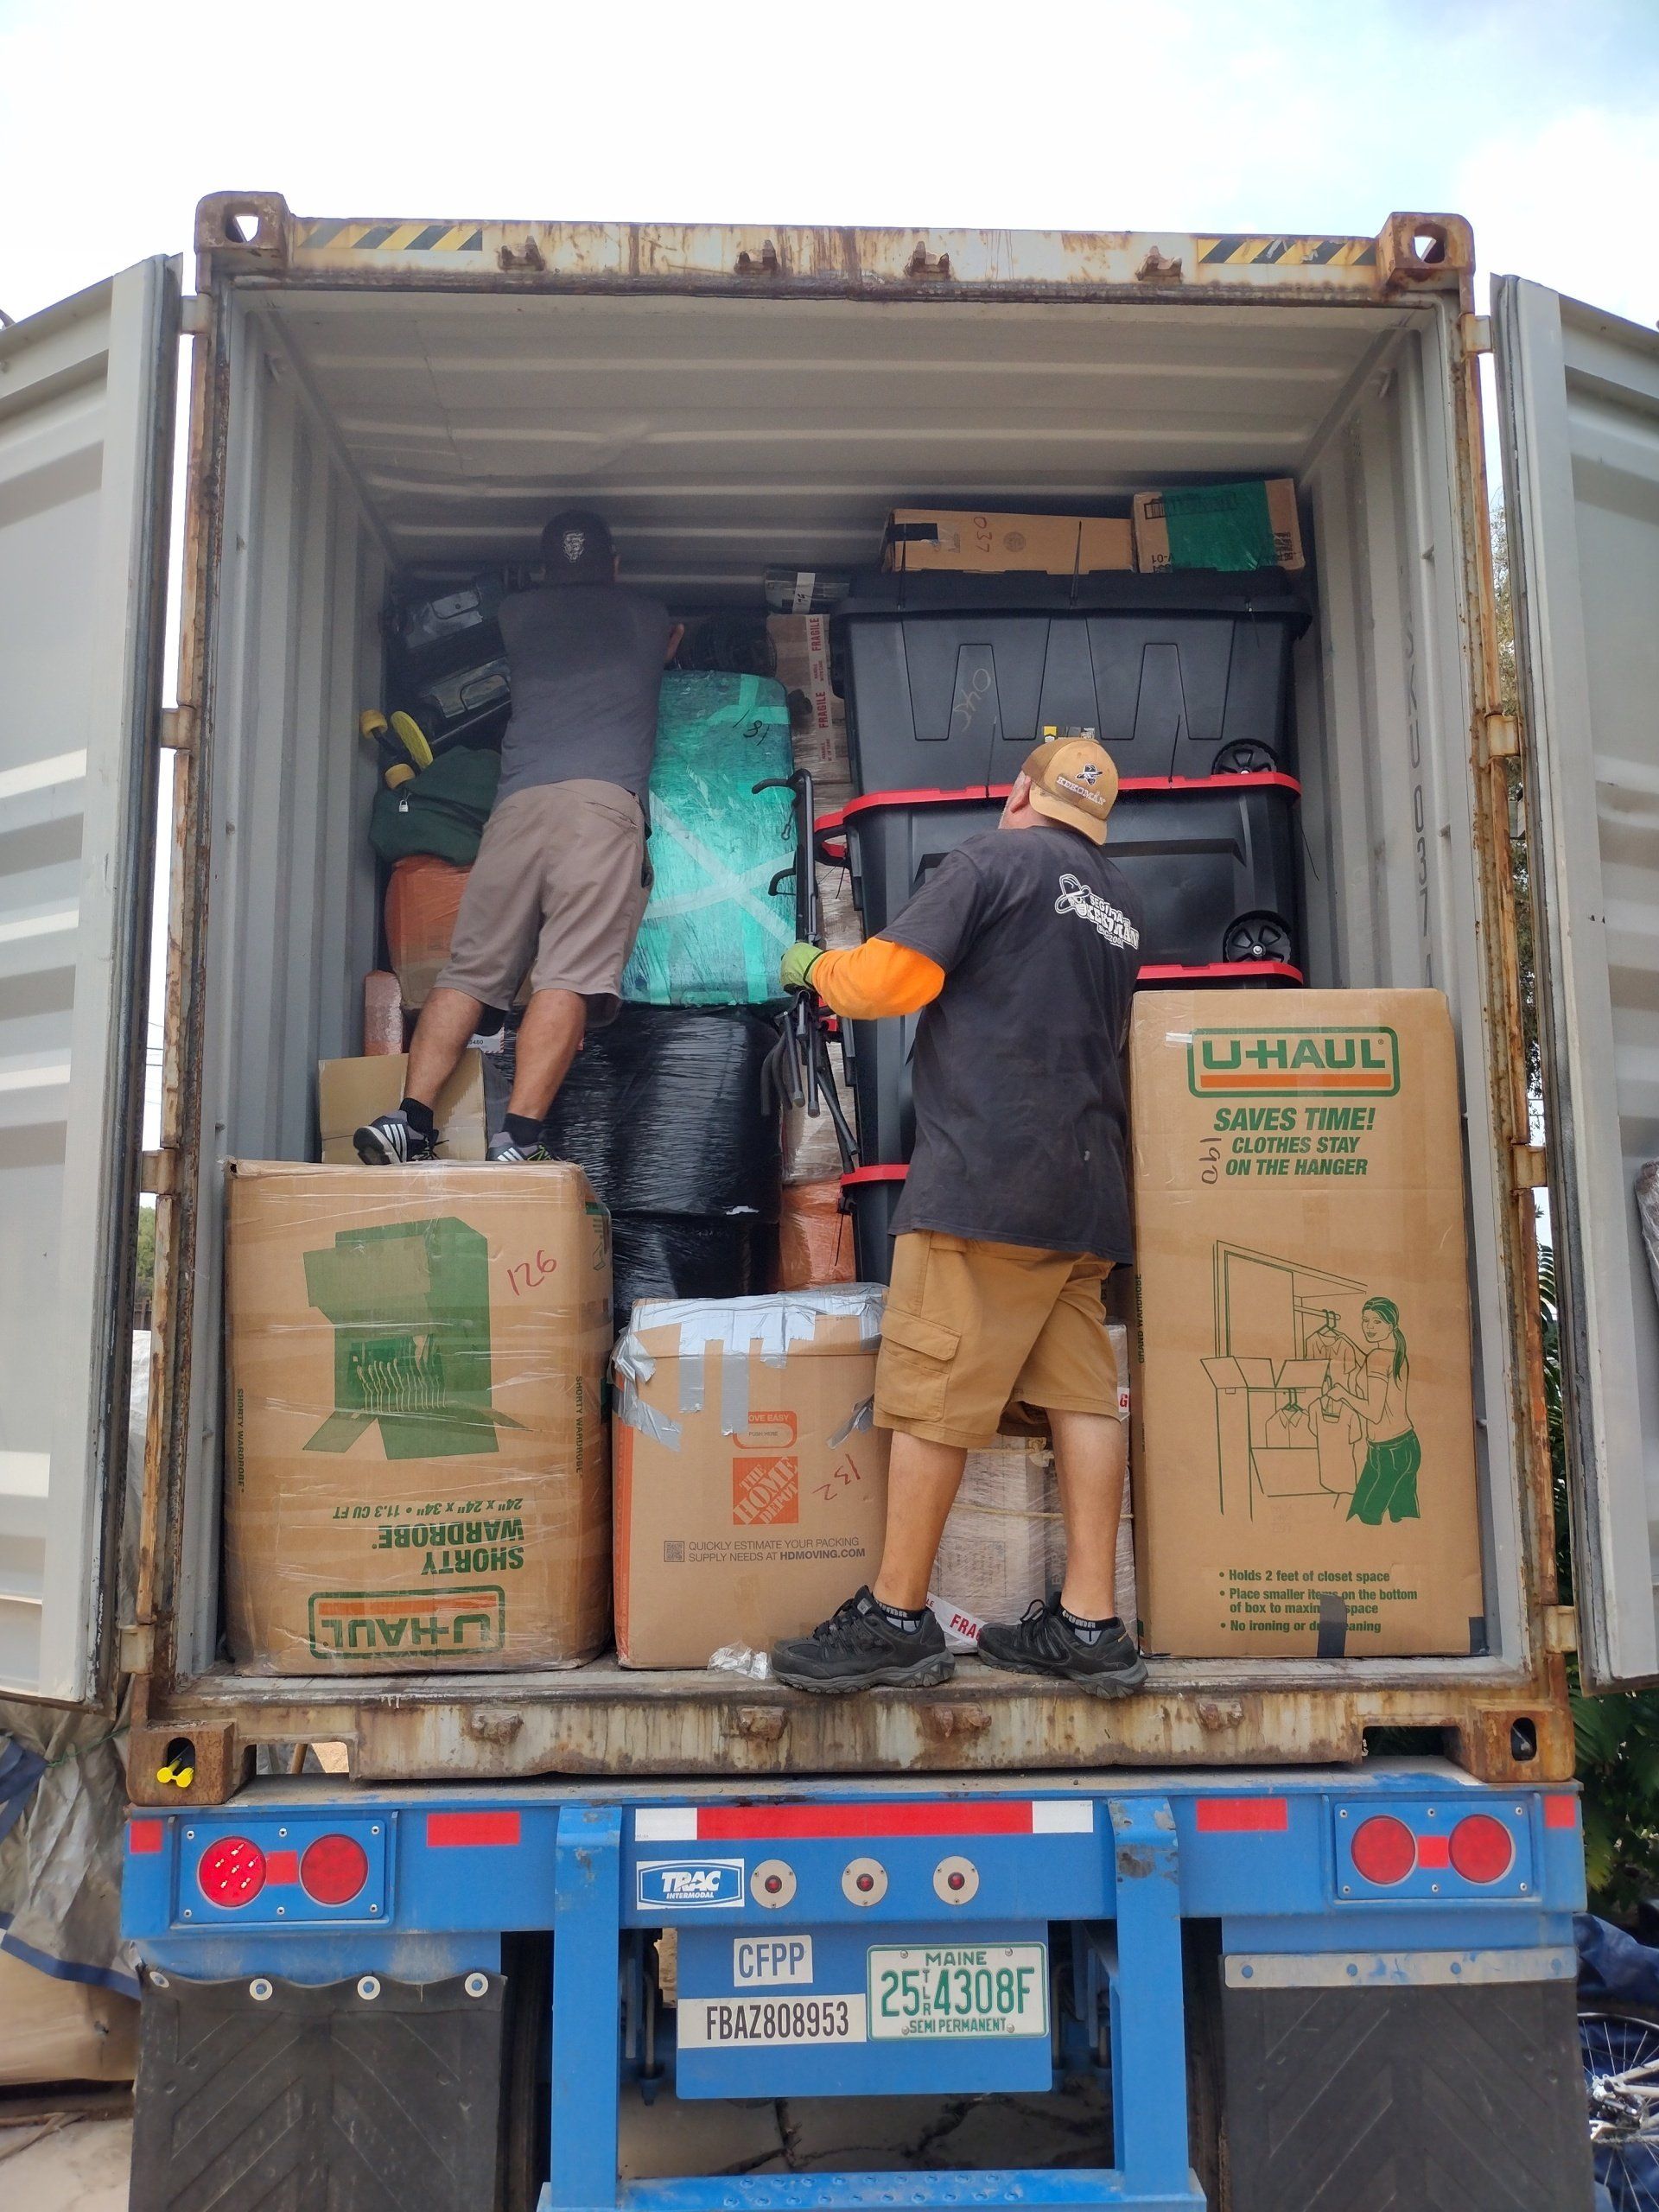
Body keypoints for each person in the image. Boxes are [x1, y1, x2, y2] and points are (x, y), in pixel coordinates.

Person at [769, 736, 1147, 1695]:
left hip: (992, 1179)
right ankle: (1092, 1623)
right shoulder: (1118, 908)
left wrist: (811, 963)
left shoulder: (997, 858)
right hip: (1087, 1185)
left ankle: (897, 1616)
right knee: (1079, 1395)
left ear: (1020, 786)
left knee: (932, 1383)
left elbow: (891, 982)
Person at [357, 510, 683, 1166]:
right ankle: (519, 1139)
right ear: (614, 565)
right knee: (569, 975)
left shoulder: (519, 617)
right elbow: (672, 643)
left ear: (544, 571)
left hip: (516, 810)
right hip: (599, 808)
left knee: (472, 974)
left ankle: (410, 1119)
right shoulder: (649, 617)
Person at [1323, 1296, 1421, 1524]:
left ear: (1391, 1325)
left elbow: (1374, 1412)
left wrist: (1343, 1395)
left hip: (1388, 1453)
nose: (1369, 1327)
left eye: (1377, 1321)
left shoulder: (1377, 1357)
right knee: (1404, 1522)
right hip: (1406, 1446)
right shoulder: (1396, 1355)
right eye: (1365, 1320)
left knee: (1362, 1519)